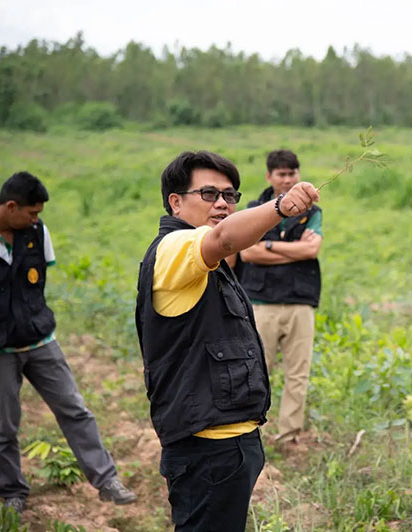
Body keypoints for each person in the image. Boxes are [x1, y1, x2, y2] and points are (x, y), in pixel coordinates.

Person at [135, 151, 319, 530]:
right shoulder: (175, 248)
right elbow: (222, 238)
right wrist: (280, 207)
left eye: (230, 196)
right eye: (208, 193)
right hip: (207, 448)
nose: (222, 203)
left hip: (229, 442)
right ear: (175, 201)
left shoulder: (208, 261)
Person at [0, 172, 137, 514]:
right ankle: (12, 493)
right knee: (5, 425)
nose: (35, 219)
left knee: (75, 410)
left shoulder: (37, 234)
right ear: (11, 206)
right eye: (31, 212)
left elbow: (34, 286)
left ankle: (106, 481)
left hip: (40, 342)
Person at [238, 149, 323, 447]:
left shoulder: (312, 211)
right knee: (258, 371)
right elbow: (247, 252)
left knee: (298, 373)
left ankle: (288, 436)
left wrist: (269, 247)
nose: (288, 180)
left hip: (301, 301)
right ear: (269, 177)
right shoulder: (253, 209)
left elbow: (311, 250)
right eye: (281, 174)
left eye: (292, 173)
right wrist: (291, 250)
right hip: (261, 301)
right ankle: (250, 434)